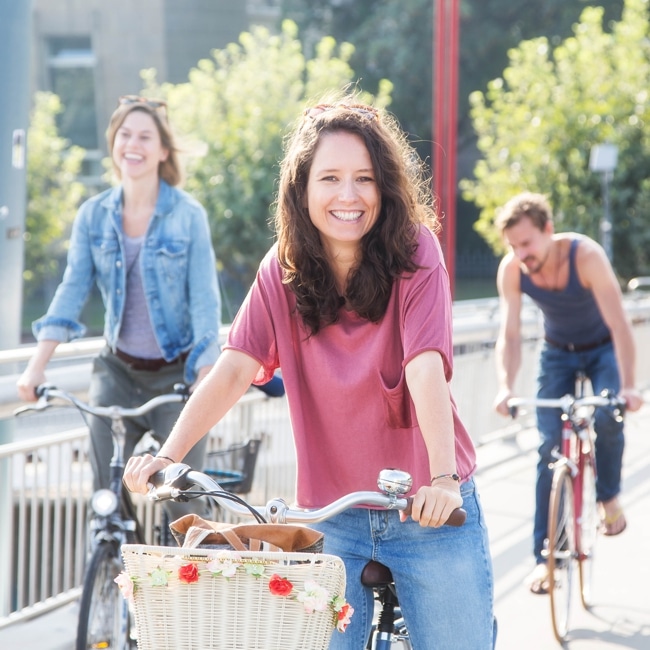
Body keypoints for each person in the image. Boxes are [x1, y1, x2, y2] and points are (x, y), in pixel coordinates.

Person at [123, 95, 496, 649]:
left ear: (385, 187)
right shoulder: (283, 268)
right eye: (331, 178)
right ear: (302, 189)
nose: (349, 196)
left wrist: (443, 479)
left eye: (365, 179)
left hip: (428, 513)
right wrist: (169, 455)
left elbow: (424, 368)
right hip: (333, 519)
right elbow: (234, 368)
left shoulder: (417, 252)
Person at [17, 95, 221, 521]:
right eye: (125, 134)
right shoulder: (93, 216)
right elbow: (72, 291)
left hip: (176, 375)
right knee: (105, 493)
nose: (134, 144)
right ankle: (120, 563)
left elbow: (205, 301)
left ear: (163, 150)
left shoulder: (188, 216)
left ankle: (183, 577)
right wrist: (36, 366)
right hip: (117, 371)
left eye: (145, 136)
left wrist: (206, 377)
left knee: (182, 502)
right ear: (113, 144)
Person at [492, 191, 643, 594]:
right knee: (548, 451)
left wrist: (628, 386)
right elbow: (508, 335)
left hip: (601, 350)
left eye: (526, 243)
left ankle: (608, 497)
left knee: (608, 416)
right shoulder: (513, 269)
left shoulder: (586, 257)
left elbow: (620, 327)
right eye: (513, 246)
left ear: (548, 230)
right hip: (556, 352)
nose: (521, 254)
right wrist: (506, 387)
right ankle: (548, 561)